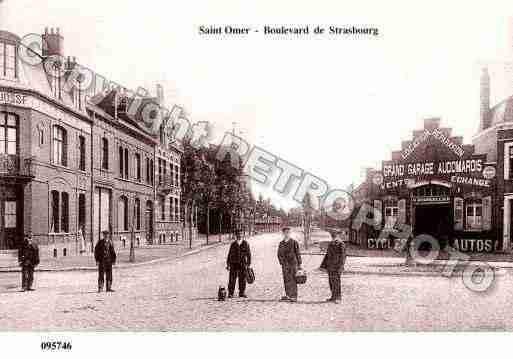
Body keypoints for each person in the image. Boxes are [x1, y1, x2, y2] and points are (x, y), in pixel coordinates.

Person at [320, 230, 346, 303]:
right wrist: (323, 266)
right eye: (332, 236)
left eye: (335, 236)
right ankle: (333, 296)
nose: (333, 237)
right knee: (331, 282)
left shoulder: (341, 244)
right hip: (330, 267)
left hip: (337, 267)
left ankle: (338, 298)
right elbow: (327, 255)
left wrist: (340, 267)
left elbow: (343, 257)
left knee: (336, 282)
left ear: (338, 236)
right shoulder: (331, 244)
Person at [277, 227, 302, 302]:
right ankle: (288, 295)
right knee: (286, 279)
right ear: (283, 233)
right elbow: (279, 254)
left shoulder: (294, 242)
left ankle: (294, 296)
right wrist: (282, 262)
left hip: (293, 264)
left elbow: (298, 253)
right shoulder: (281, 243)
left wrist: (299, 264)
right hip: (285, 264)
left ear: (290, 233)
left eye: (288, 232)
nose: (287, 234)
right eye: (285, 232)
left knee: (293, 279)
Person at [226, 230, 251, 298]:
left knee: (242, 279)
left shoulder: (245, 244)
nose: (239, 236)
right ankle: (231, 293)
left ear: (243, 235)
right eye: (238, 234)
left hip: (243, 264)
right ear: (236, 236)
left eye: (241, 234)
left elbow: (249, 255)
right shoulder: (233, 244)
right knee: (232, 279)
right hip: (234, 264)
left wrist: (248, 264)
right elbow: (229, 255)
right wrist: (228, 264)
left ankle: (242, 292)